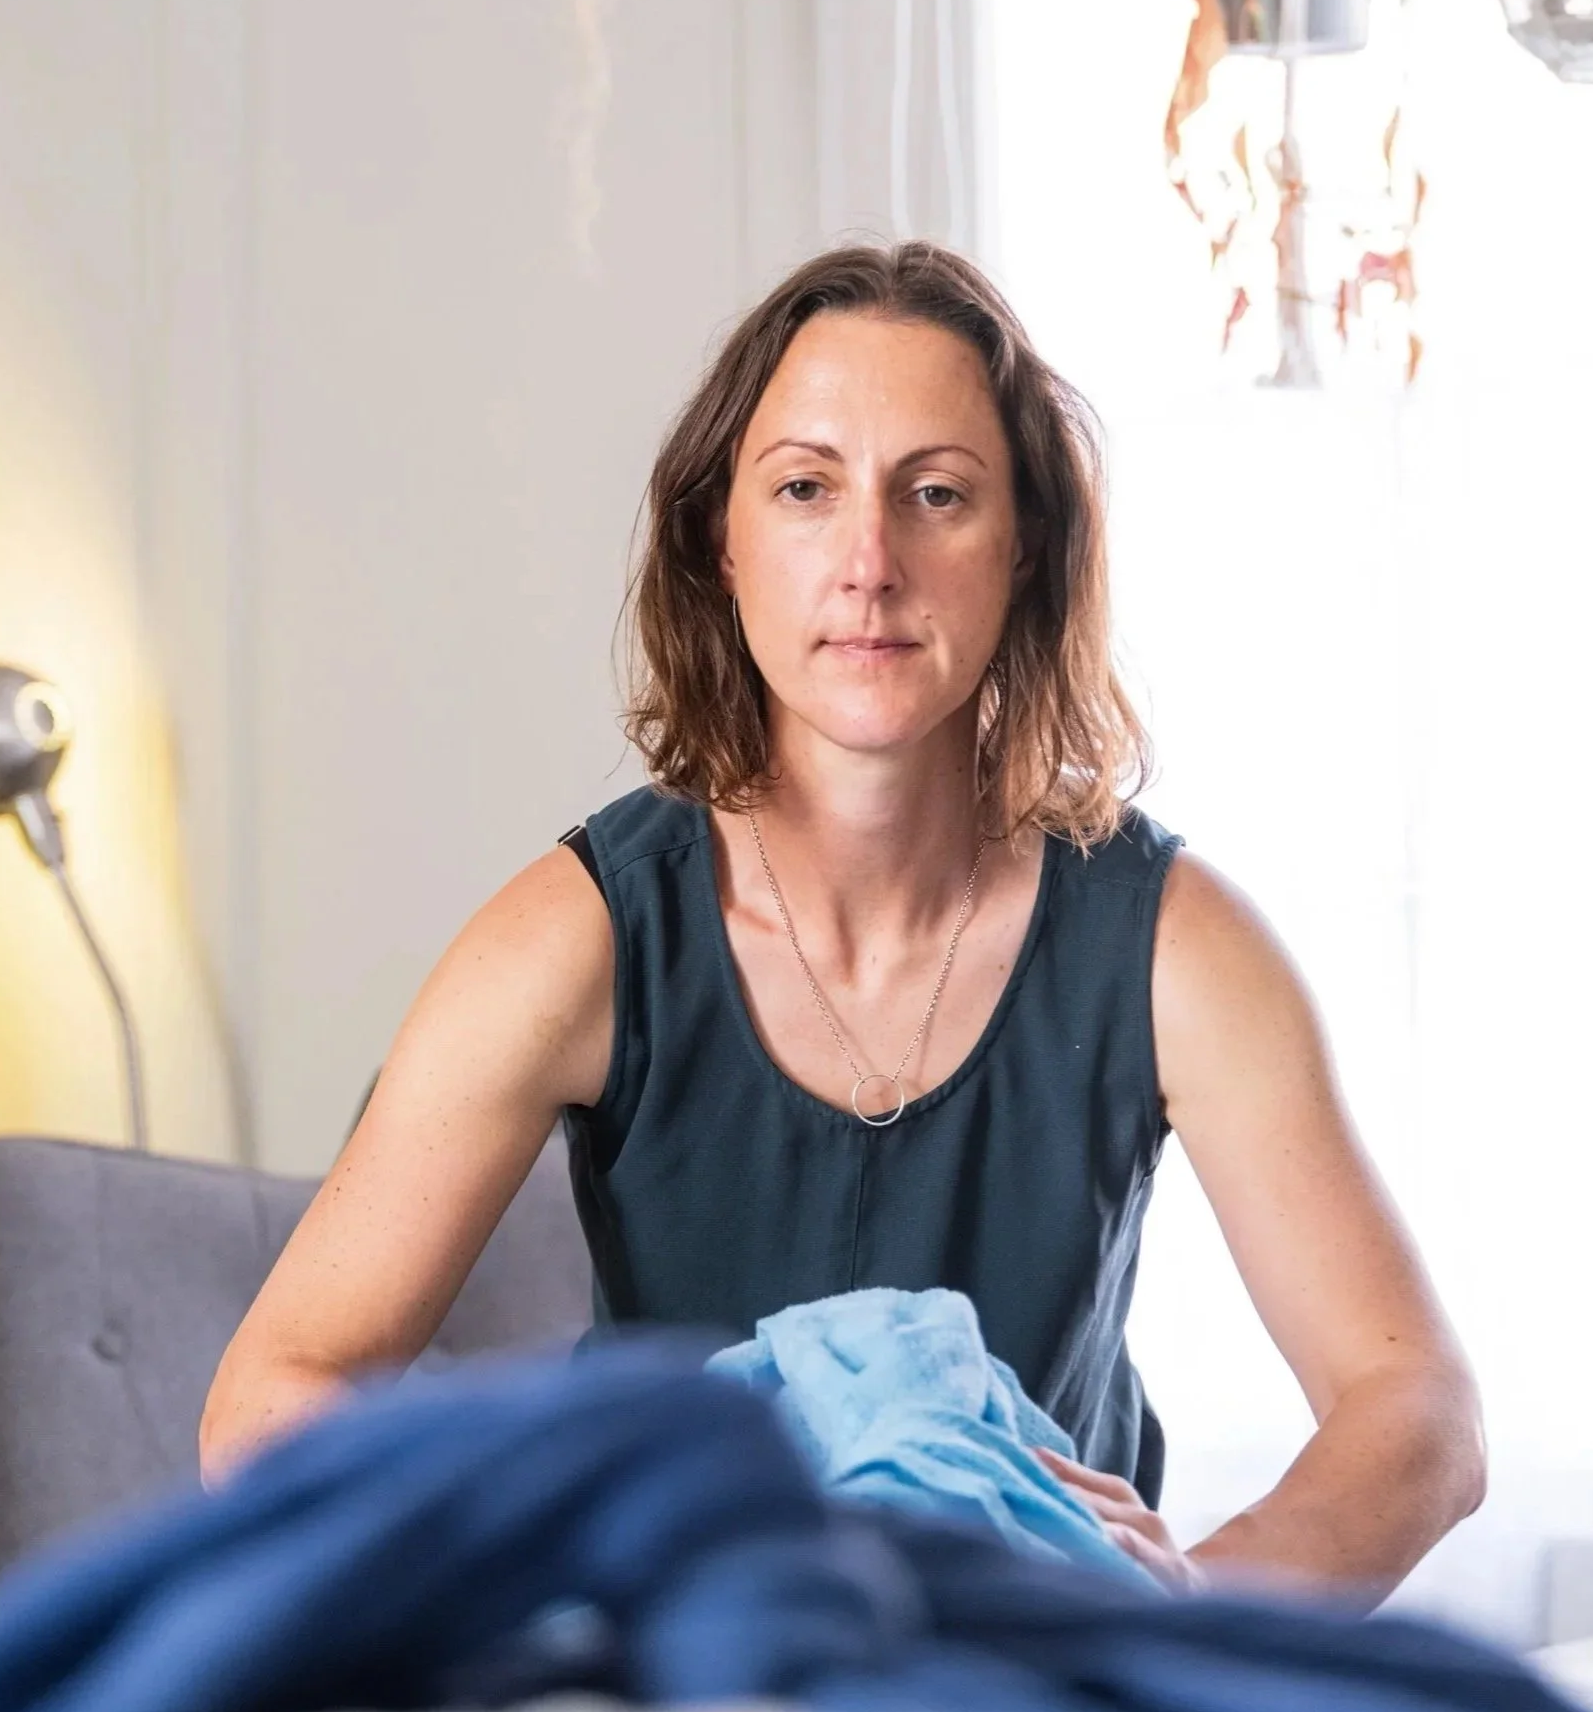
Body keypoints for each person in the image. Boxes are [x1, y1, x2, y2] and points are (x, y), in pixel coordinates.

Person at [200, 243, 1484, 1598]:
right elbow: (272, 1394)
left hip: (1033, 1664)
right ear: (722, 539)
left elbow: (1418, 1412)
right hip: (687, 1664)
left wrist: (1194, 1598)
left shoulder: (1173, 945)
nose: (870, 564)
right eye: (806, 489)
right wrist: (542, 1571)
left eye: (937, 494)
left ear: (1024, 547)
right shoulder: (576, 936)